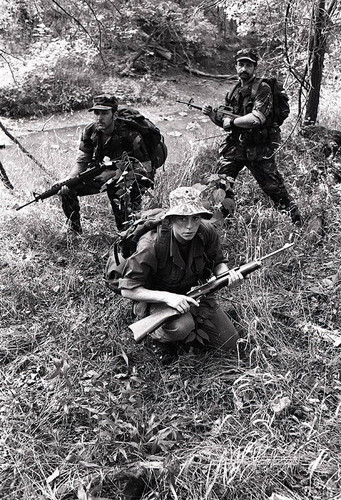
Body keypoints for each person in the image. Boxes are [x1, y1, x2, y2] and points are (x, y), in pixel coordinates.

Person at [119, 186, 243, 352]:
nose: (190, 226)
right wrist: (168, 298)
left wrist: (228, 277)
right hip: (157, 299)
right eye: (182, 219)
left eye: (195, 218)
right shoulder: (151, 244)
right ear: (170, 220)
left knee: (230, 343)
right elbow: (128, 289)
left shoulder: (206, 232)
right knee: (182, 326)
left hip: (193, 293)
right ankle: (159, 338)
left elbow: (218, 262)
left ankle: (192, 323)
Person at [202, 48, 301, 225]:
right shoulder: (233, 91)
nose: (244, 68)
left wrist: (232, 123)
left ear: (255, 67)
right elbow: (227, 121)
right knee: (222, 181)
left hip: (259, 146)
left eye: (248, 65)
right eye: (241, 64)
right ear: (236, 66)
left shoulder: (262, 89)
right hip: (236, 146)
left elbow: (257, 118)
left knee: (273, 188)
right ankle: (225, 219)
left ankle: (296, 220)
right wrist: (212, 116)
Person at [57, 94, 154, 233]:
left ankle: (126, 234)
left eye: (104, 113)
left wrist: (114, 175)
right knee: (68, 188)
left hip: (134, 177)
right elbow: (83, 159)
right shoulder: (90, 131)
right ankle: (74, 232)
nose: (99, 117)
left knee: (116, 189)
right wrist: (69, 179)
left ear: (114, 115)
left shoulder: (130, 134)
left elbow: (145, 168)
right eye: (96, 113)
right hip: (105, 172)